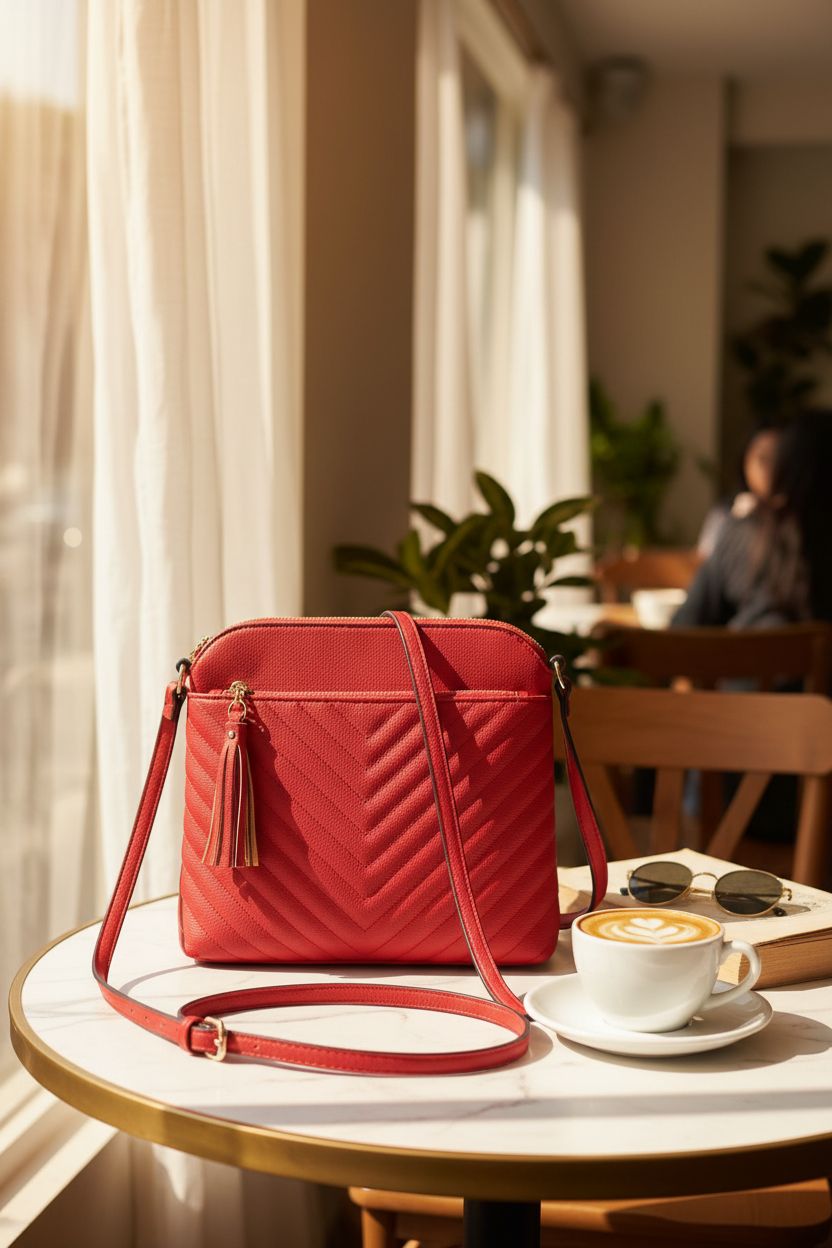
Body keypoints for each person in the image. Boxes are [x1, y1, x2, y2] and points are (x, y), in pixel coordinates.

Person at [674, 409, 832, 629]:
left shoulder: (740, 536)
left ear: (784, 468)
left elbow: (684, 627)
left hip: (743, 659)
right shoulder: (732, 521)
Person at [696, 424, 781, 558]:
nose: (770, 468)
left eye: (778, 458)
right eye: (763, 458)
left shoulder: (795, 516)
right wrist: (736, 523)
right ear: (745, 462)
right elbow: (707, 566)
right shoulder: (724, 513)